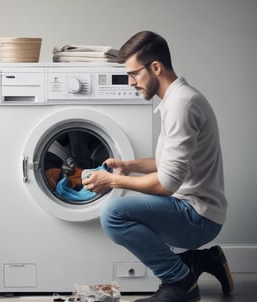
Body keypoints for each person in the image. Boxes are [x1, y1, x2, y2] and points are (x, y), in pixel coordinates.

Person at [82, 31, 233, 302]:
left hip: (199, 217)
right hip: (197, 210)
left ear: (155, 67)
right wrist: (129, 166)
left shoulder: (182, 105)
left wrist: (111, 181)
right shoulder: (178, 99)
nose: (130, 83)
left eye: (134, 74)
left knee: (113, 213)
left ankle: (180, 282)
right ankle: (200, 261)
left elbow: (166, 183)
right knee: (119, 208)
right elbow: (171, 163)